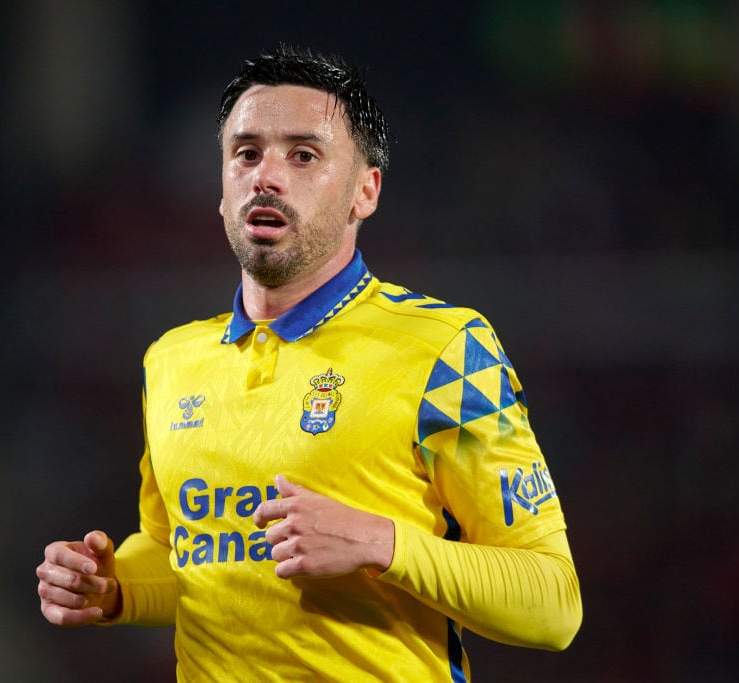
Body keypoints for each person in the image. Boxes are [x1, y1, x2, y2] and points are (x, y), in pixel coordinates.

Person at [37, 45, 582, 681]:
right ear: (220, 189)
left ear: (365, 191)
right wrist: (116, 587)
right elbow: (180, 551)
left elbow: (554, 605)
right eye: (246, 153)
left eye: (303, 155)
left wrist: (383, 543)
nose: (266, 176)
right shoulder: (172, 361)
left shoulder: (445, 348)